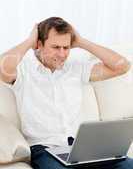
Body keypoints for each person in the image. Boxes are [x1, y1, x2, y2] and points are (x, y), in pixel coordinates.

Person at [0, 17, 132, 169]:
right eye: (56, 47)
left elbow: (122, 66)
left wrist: (81, 41)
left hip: (80, 148)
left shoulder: (76, 68)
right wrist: (30, 41)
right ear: (39, 45)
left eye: (66, 47)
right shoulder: (24, 71)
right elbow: (2, 68)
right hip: (45, 149)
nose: (62, 54)